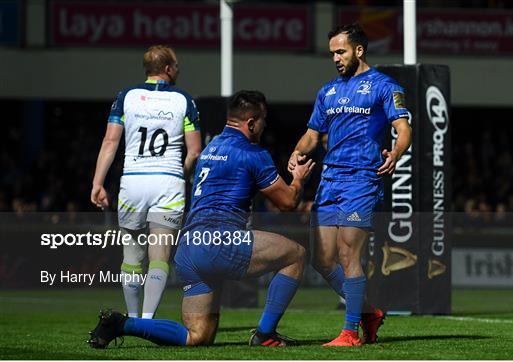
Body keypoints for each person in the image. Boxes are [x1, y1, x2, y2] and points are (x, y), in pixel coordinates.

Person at [88, 90, 315, 348]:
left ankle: (123, 323)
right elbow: (288, 203)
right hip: (221, 240)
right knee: (295, 254)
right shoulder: (252, 153)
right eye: (263, 119)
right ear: (251, 123)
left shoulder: (211, 148)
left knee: (198, 336)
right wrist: (298, 178)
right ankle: (265, 335)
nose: (265, 125)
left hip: (189, 248)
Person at [288, 22, 412, 346]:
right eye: (332, 53)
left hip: (362, 178)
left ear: (359, 50)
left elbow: (403, 128)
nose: (335, 58)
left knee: (347, 253)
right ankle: (369, 312)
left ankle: (350, 332)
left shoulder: (384, 86)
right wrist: (296, 151)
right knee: (322, 259)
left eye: (340, 51)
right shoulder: (327, 91)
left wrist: (396, 152)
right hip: (330, 179)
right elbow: (313, 134)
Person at [90, 45, 202, 319]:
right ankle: (147, 320)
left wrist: (98, 183)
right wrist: (183, 173)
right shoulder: (183, 99)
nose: (178, 70)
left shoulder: (126, 96)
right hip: (167, 183)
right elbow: (195, 151)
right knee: (159, 257)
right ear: (167, 69)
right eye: (176, 66)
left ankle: (130, 318)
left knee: (131, 258)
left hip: (133, 183)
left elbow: (110, 141)